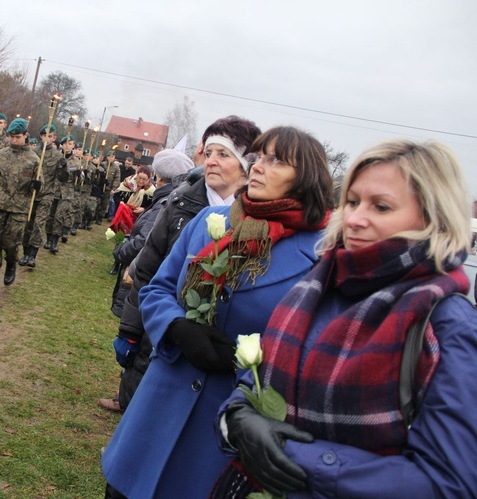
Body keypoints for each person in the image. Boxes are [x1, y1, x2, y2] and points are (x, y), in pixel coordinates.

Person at [213, 139, 477, 498]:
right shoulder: (318, 283)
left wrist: (296, 457)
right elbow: (255, 381)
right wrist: (238, 420)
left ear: (433, 218)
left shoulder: (446, 323)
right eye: (352, 201)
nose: (354, 218)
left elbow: (449, 482)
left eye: (381, 207)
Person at [101, 126, 335, 499]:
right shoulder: (212, 223)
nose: (257, 167)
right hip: (160, 406)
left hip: (221, 428)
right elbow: (158, 287)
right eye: (257, 158)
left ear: (306, 177)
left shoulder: (321, 258)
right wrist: (177, 327)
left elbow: (312, 350)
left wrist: (245, 361)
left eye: (276, 161)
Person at [99, 116, 261, 413]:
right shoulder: (180, 202)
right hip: (163, 332)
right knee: (143, 412)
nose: (211, 161)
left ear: (246, 164)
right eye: (208, 152)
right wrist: (130, 331)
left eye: (223, 154)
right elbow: (147, 271)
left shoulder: (259, 219)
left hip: (219, 348)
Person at [109, 150, 195, 320]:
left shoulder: (166, 202)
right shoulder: (170, 199)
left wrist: (120, 252)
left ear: (158, 177)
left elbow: (144, 241)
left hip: (145, 278)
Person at [0, 118, 40, 295]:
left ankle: (11, 264)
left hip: (19, 207)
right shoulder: (1, 154)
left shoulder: (34, 159)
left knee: (11, 242)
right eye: (12, 137)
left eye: (17, 137)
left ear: (25, 136)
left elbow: (40, 184)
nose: (14, 140)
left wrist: (37, 186)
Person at [19, 124, 65, 268]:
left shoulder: (58, 156)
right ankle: (25, 252)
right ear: (41, 136)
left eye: (50, 136)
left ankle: (32, 254)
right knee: (28, 223)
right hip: (32, 194)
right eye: (45, 136)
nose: (47, 139)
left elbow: (62, 178)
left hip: (47, 194)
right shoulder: (33, 153)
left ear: (54, 138)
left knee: (39, 224)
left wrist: (63, 167)